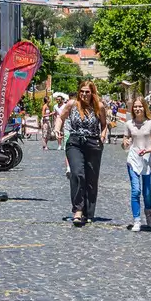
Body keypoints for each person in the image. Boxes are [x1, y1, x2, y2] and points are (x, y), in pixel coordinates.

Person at [55, 82, 108, 225]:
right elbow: (61, 117)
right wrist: (57, 129)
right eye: (82, 91)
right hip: (74, 142)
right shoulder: (72, 104)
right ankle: (78, 210)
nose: (84, 94)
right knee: (77, 173)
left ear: (92, 93)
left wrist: (103, 136)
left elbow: (104, 125)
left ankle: (88, 212)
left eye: (87, 92)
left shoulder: (99, 107)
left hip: (93, 143)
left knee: (91, 178)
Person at [126, 98, 151, 231]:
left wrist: (148, 150)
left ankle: (148, 212)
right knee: (136, 190)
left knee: (147, 193)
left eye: (140, 106)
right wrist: (125, 143)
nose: (137, 109)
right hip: (133, 160)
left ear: (144, 107)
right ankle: (137, 220)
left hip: (147, 160)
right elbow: (125, 143)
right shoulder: (129, 124)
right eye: (135, 107)